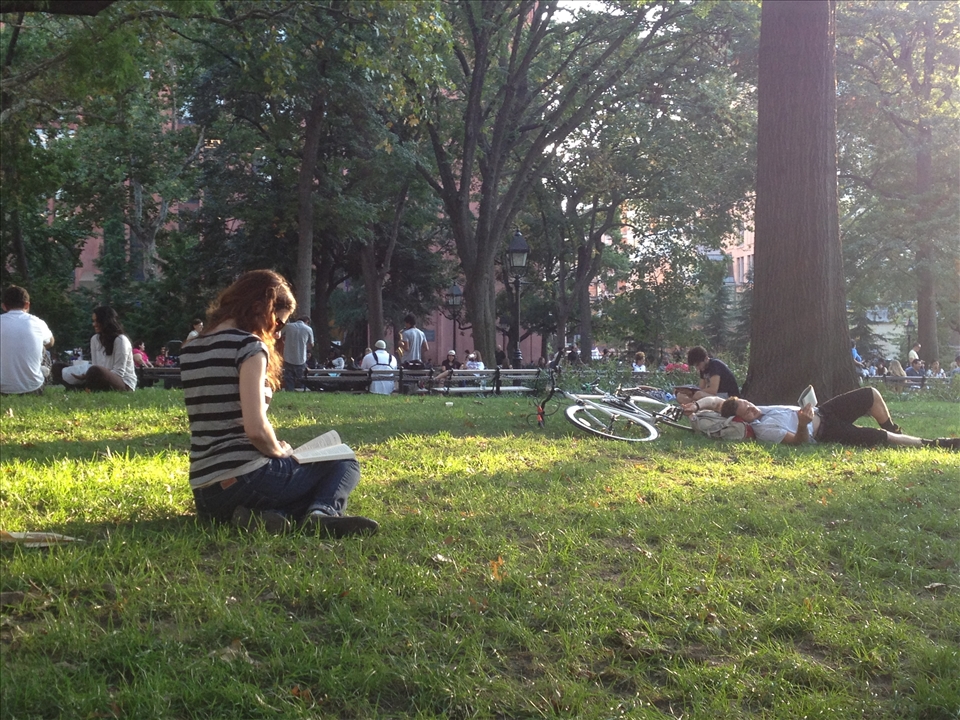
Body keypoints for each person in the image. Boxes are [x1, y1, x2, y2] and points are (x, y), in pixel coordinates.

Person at [179, 269, 377, 537]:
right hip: (246, 478)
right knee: (344, 462)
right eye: (279, 323)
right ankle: (322, 514)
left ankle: (265, 517)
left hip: (206, 493)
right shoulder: (248, 346)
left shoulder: (191, 348)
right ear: (261, 308)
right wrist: (280, 451)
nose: (278, 331)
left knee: (295, 485)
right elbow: (255, 429)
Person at [687, 387, 958, 450]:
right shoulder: (763, 428)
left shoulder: (760, 408)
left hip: (825, 411)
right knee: (881, 439)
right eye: (747, 411)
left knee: (870, 394)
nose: (752, 409)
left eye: (750, 404)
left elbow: (714, 401)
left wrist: (694, 405)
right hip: (825, 431)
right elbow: (799, 443)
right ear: (742, 420)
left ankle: (893, 425)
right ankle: (934, 443)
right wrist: (804, 424)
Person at [53, 306, 137, 391]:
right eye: (93, 321)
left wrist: (93, 374)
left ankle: (83, 388)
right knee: (57, 367)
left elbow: (119, 372)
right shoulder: (95, 339)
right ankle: (80, 387)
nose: (94, 324)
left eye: (97, 321)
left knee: (95, 371)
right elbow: (95, 364)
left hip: (123, 382)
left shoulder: (121, 340)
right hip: (98, 376)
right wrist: (87, 375)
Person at [0, 285, 55, 395]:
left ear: (4, 306)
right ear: (27, 305)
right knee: (43, 346)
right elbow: (51, 342)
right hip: (33, 388)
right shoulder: (37, 322)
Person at [280, 314, 314, 391]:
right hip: (301, 358)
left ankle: (290, 392)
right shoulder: (308, 329)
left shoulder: (288, 326)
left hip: (288, 357)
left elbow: (278, 334)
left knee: (289, 379)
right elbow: (311, 344)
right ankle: (300, 392)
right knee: (300, 379)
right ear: (307, 321)